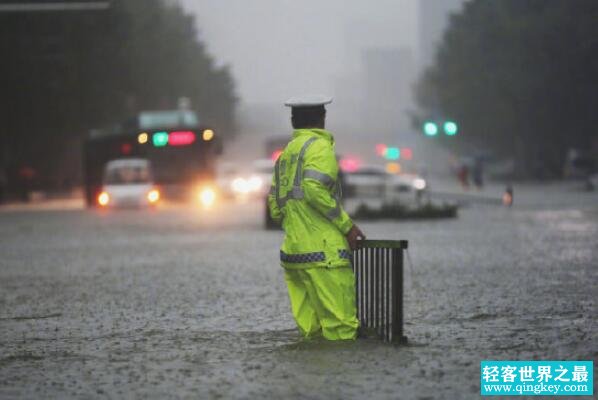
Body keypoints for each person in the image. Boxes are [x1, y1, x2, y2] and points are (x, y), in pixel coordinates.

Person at [268, 94, 365, 340]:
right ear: (322, 119)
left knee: (311, 334)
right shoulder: (319, 147)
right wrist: (347, 227)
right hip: (325, 256)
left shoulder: (286, 155)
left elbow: (274, 207)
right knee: (341, 329)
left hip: (294, 256)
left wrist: (297, 226)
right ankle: (341, 379)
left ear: (293, 122)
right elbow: (313, 189)